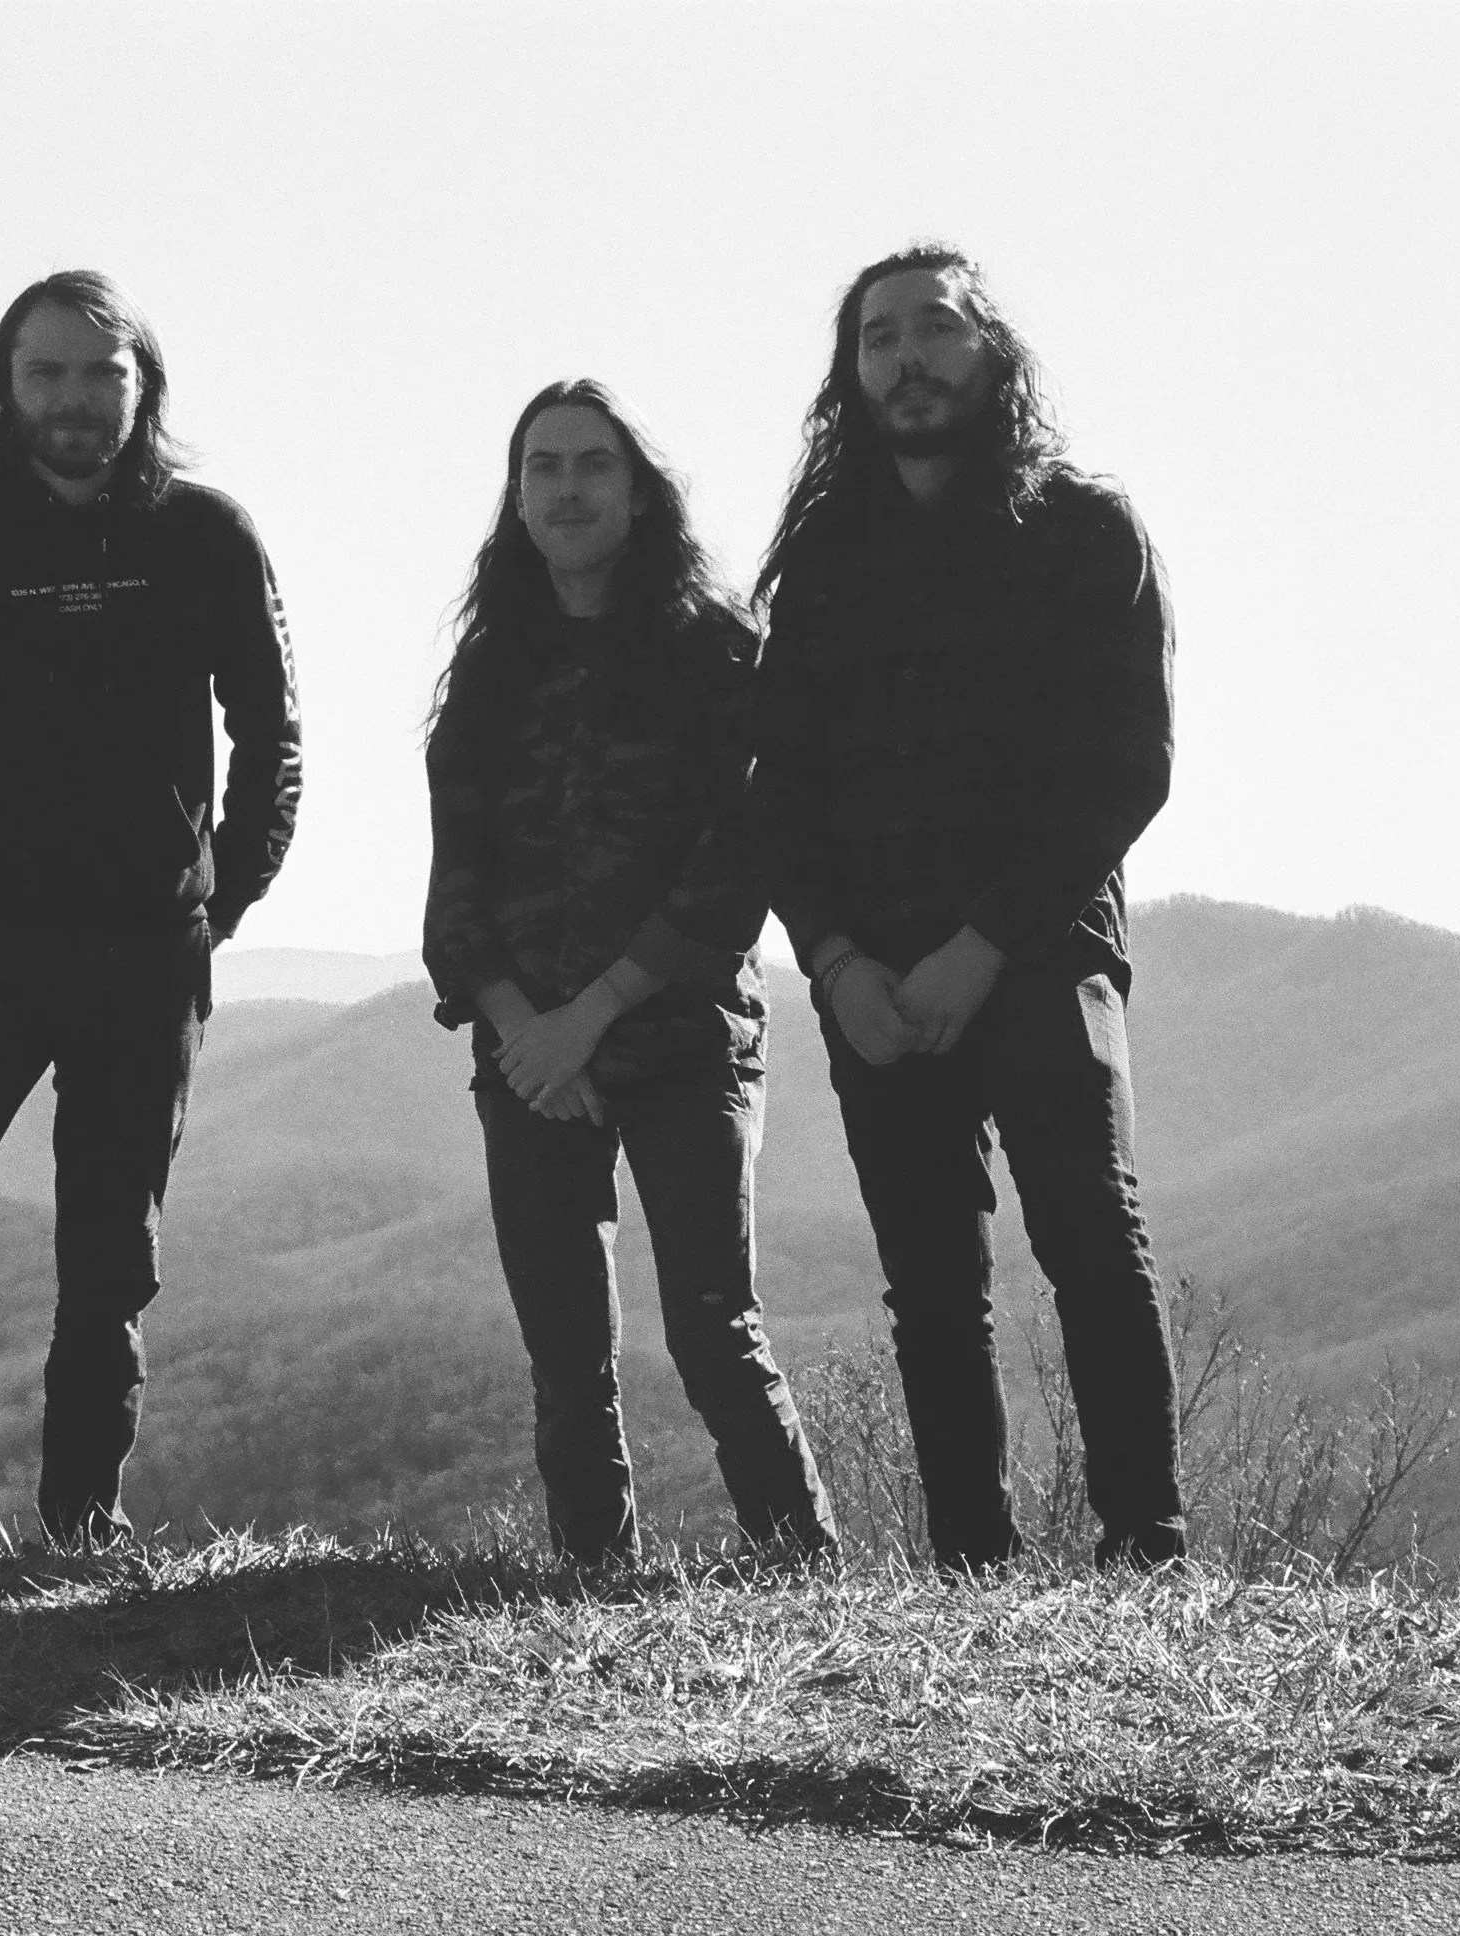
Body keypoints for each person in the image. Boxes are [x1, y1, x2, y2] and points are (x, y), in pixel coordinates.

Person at [0, 270, 302, 1550]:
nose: (74, 399)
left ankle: (79, 1522)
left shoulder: (204, 535)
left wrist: (226, 891)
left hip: (147, 950)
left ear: (143, 386)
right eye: (46, 372)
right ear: (5, 385)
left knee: (111, 1252)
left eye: (103, 373)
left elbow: (272, 734)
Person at [748, 243, 1187, 1569]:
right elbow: (776, 786)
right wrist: (832, 961)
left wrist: (982, 947)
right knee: (934, 1289)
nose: (907, 358)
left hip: (1043, 959)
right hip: (874, 978)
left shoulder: (1080, 533)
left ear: (992, 354)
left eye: (934, 329)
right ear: (851, 372)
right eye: (878, 338)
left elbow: (1125, 768)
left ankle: (1147, 1550)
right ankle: (970, 1566)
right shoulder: (823, 561)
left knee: (1093, 1250)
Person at [423, 379, 836, 1568]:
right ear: (517, 495)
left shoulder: (713, 655)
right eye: (542, 466)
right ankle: (592, 1581)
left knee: (714, 1329)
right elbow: (458, 894)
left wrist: (589, 1018)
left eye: (592, 465)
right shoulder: (494, 671)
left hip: (683, 1041)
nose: (566, 488)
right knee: (566, 1354)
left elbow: (732, 865)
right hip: (524, 1051)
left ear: (639, 488)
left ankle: (799, 1574)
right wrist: (521, 1031)